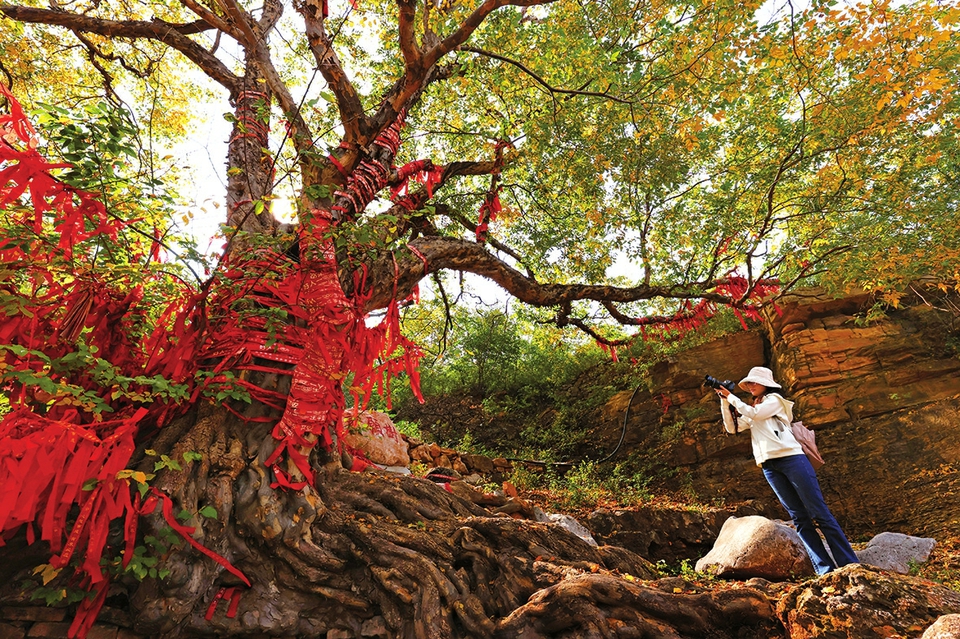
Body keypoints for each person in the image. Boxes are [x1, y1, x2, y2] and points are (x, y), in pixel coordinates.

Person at [716, 366, 858, 575]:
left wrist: (733, 397)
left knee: (819, 512)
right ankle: (824, 570)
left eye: (755, 381)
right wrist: (723, 400)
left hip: (792, 459)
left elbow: (755, 414)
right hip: (769, 466)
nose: (752, 385)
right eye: (750, 382)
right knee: (799, 518)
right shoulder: (752, 407)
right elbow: (732, 428)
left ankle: (849, 563)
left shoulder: (775, 401)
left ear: (766, 383)